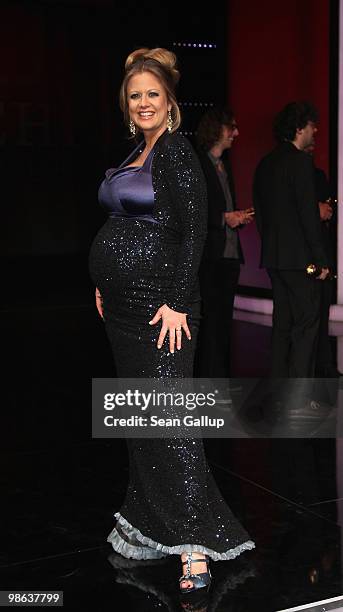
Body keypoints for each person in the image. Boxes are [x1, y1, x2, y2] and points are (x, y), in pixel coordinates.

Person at [89, 48, 254, 594]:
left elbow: (195, 232)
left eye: (151, 95)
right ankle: (147, 523)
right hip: (123, 305)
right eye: (134, 95)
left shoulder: (178, 152)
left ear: (169, 102)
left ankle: (195, 546)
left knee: (171, 424)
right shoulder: (137, 151)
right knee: (142, 420)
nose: (142, 103)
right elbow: (122, 222)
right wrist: (102, 281)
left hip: (163, 307)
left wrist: (179, 301)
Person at [253, 102, 329, 377]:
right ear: (299, 128)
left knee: (282, 325)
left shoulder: (265, 164)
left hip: (274, 259)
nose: (315, 130)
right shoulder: (300, 162)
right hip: (300, 262)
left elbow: (260, 214)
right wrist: (321, 260)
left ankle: (279, 392)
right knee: (307, 324)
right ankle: (298, 400)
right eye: (311, 125)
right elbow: (308, 216)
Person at [194, 107, 254, 378]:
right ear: (218, 130)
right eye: (232, 128)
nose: (237, 134)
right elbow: (192, 211)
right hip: (210, 256)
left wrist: (237, 217)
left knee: (223, 323)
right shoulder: (198, 165)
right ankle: (210, 380)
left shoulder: (223, 165)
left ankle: (221, 379)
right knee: (211, 323)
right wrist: (224, 218)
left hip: (229, 255)